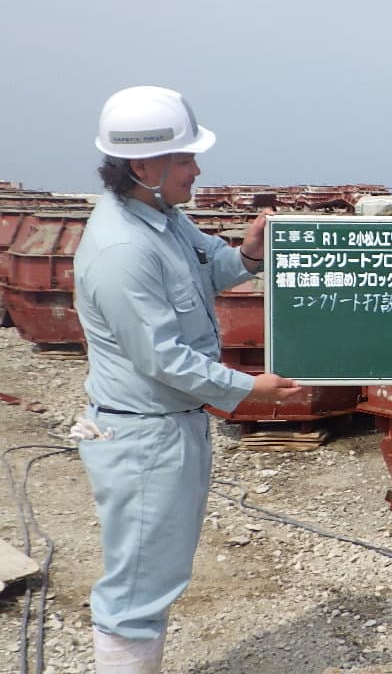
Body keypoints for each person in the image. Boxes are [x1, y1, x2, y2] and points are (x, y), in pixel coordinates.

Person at [73, 85, 301, 674]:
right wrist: (249, 388)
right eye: (184, 159)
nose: (196, 170)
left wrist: (249, 254)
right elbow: (163, 359)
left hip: (170, 427)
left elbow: (208, 268)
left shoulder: (162, 220)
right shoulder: (122, 249)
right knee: (139, 584)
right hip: (144, 439)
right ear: (143, 167)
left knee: (160, 568)